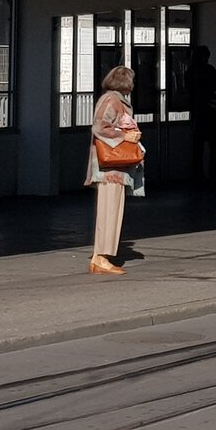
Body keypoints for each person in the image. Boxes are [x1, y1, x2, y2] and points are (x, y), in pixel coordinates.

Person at [85, 65, 145, 276]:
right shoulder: (112, 100)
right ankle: (102, 257)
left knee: (111, 210)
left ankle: (100, 257)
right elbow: (100, 127)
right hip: (109, 168)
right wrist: (124, 136)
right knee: (109, 211)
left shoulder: (114, 99)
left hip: (115, 168)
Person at [186, 45, 216, 183]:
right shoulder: (209, 69)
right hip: (211, 113)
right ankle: (214, 177)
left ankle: (198, 177)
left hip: (197, 113)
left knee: (197, 150)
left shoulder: (190, 71)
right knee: (215, 149)